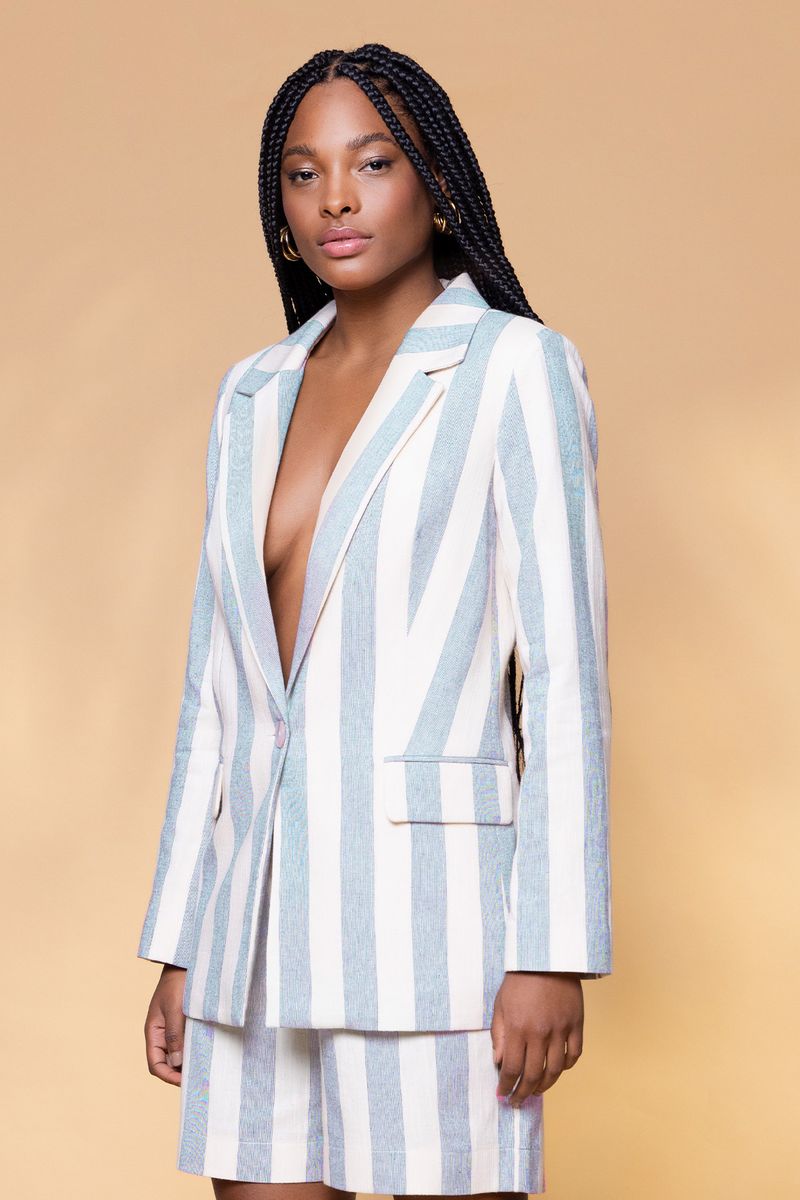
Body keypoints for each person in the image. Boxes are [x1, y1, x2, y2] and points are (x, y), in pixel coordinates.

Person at [138, 41, 613, 1200]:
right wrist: (182, 940)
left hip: (432, 933)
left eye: (373, 162)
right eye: (302, 173)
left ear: (435, 178)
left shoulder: (513, 367)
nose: (335, 200)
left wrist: (551, 950)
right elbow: (217, 689)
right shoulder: (250, 393)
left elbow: (563, 676)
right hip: (250, 938)